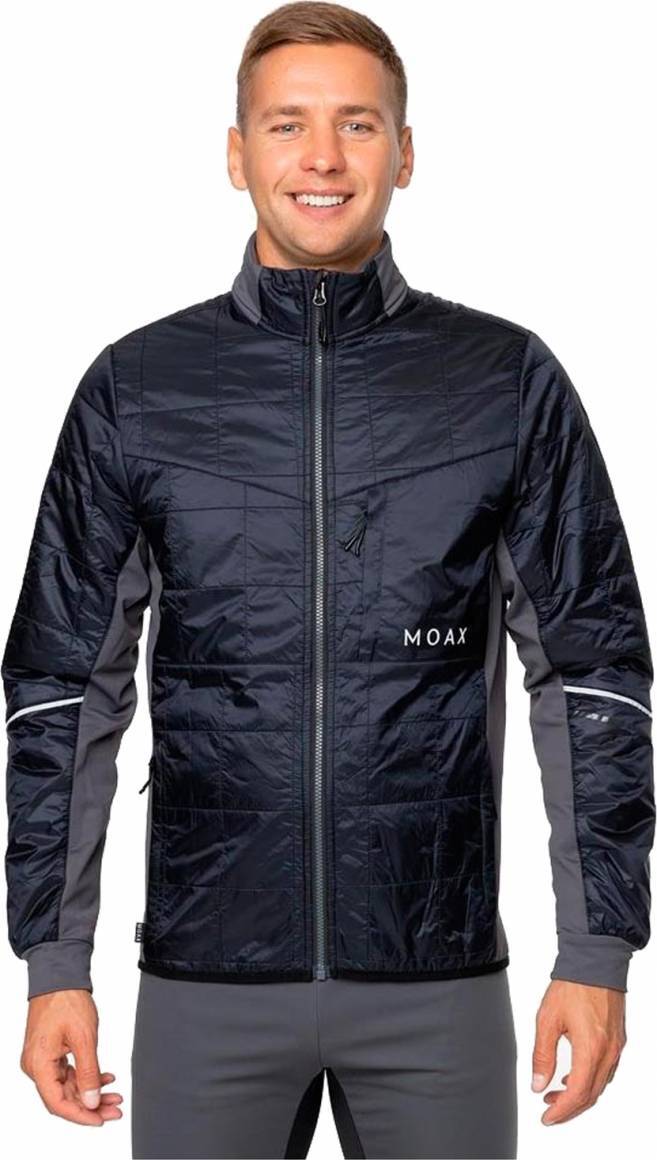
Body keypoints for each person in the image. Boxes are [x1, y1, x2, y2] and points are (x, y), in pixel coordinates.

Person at [3, 3, 654, 1158]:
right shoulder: (137, 389)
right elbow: (61, 688)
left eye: (357, 124)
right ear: (236, 151)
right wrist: (56, 964)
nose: (321, 157)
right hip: (206, 977)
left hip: (436, 980)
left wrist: (597, 951)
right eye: (286, 124)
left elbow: (594, 675)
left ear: (405, 152)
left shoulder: (503, 380)